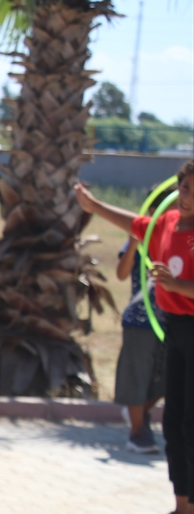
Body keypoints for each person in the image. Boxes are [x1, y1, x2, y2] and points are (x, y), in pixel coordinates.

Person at [76, 163, 194, 514]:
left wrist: (178, 285)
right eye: (184, 188)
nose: (187, 196)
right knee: (174, 425)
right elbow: (137, 223)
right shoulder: (168, 221)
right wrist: (93, 205)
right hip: (174, 330)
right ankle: (182, 513)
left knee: (191, 427)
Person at [109, 188, 167, 454]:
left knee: (168, 377)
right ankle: (138, 430)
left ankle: (137, 413)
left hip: (174, 320)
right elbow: (121, 273)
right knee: (137, 375)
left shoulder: (183, 239)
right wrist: (134, 241)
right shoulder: (141, 238)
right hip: (141, 318)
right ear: (152, 212)